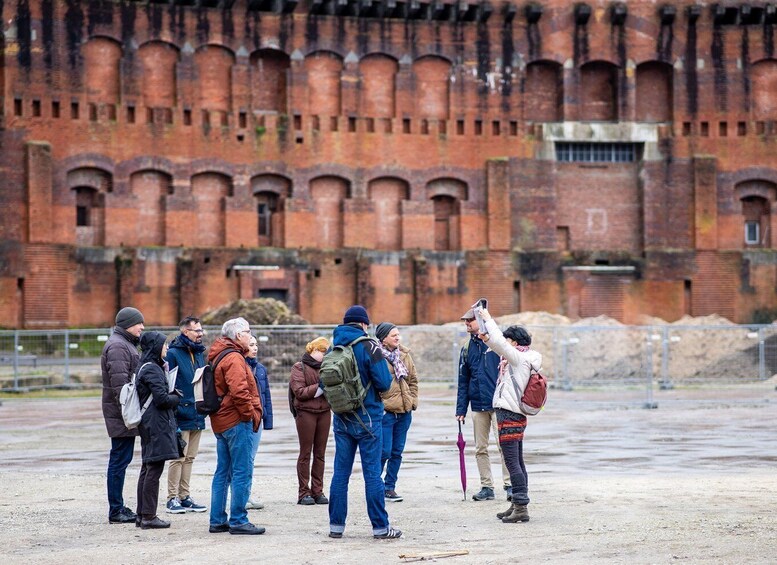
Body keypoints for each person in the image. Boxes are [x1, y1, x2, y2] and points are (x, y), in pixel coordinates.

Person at [327, 305, 402, 540]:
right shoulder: (369, 345)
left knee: (340, 473)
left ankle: (336, 527)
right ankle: (380, 527)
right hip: (368, 416)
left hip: (341, 416)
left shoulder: (333, 346)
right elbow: (384, 382)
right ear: (363, 324)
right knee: (372, 474)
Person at [477, 309, 542, 523]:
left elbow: (501, 346)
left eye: (508, 341)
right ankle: (516, 502)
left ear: (514, 342)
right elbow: (499, 345)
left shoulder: (519, 359)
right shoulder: (521, 358)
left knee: (512, 462)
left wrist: (486, 318)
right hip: (513, 414)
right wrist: (487, 339)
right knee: (517, 460)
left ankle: (521, 508)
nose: (505, 344)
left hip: (509, 415)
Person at [207, 317, 265, 535]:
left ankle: (217, 520)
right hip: (236, 421)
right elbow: (240, 391)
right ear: (239, 335)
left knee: (223, 471)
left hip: (221, 420)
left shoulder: (219, 353)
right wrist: (249, 415)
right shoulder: (234, 358)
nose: (251, 335)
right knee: (242, 471)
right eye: (248, 331)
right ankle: (239, 520)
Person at [455, 307, 511, 501]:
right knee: (480, 448)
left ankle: (510, 484)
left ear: (480, 320)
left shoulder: (496, 344)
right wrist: (460, 409)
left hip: (498, 405)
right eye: (465, 321)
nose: (466, 324)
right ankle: (486, 487)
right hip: (478, 406)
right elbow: (463, 380)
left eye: (470, 320)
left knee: (505, 446)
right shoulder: (466, 348)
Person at [101, 306, 144, 524]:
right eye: (139, 323)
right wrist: (129, 415)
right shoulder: (118, 346)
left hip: (122, 413)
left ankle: (118, 506)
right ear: (128, 323)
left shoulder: (124, 343)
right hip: (121, 414)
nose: (142, 327)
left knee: (122, 459)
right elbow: (121, 387)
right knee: (119, 460)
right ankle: (116, 510)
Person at [135, 332, 181, 529]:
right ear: (155, 347)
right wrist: (176, 397)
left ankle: (142, 514)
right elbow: (162, 400)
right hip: (156, 425)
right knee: (153, 469)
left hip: (149, 424)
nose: (167, 348)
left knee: (147, 468)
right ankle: (148, 516)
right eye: (164, 345)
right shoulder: (153, 369)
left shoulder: (145, 367)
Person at [164, 316, 208, 514]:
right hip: (180, 411)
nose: (201, 334)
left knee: (190, 457)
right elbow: (168, 382)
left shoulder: (199, 353)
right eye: (196, 330)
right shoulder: (173, 353)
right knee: (178, 457)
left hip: (197, 411)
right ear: (185, 332)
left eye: (201, 330)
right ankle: (171, 498)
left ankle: (185, 496)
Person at [375, 322, 418, 503]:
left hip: (404, 412)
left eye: (398, 334)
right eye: (394, 335)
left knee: (397, 452)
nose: (398, 338)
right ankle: (375, 486)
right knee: (384, 451)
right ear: (383, 339)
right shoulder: (375, 357)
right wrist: (381, 407)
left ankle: (389, 487)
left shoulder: (404, 355)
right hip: (386, 413)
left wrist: (413, 401)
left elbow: (413, 380)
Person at [289, 337, 331, 506]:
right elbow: (299, 392)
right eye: (323, 352)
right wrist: (320, 387)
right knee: (305, 453)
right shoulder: (299, 367)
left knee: (320, 454)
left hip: (324, 412)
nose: (325, 355)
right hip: (306, 413)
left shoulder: (327, 368)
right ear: (314, 350)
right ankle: (303, 492)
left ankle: (317, 491)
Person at [245, 334, 273, 510]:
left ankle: (246, 494)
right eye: (251, 344)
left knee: (251, 459)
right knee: (243, 460)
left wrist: (267, 420)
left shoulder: (261, 369)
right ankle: (239, 496)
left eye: (256, 344)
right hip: (246, 418)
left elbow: (266, 396)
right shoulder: (240, 366)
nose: (255, 348)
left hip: (258, 420)